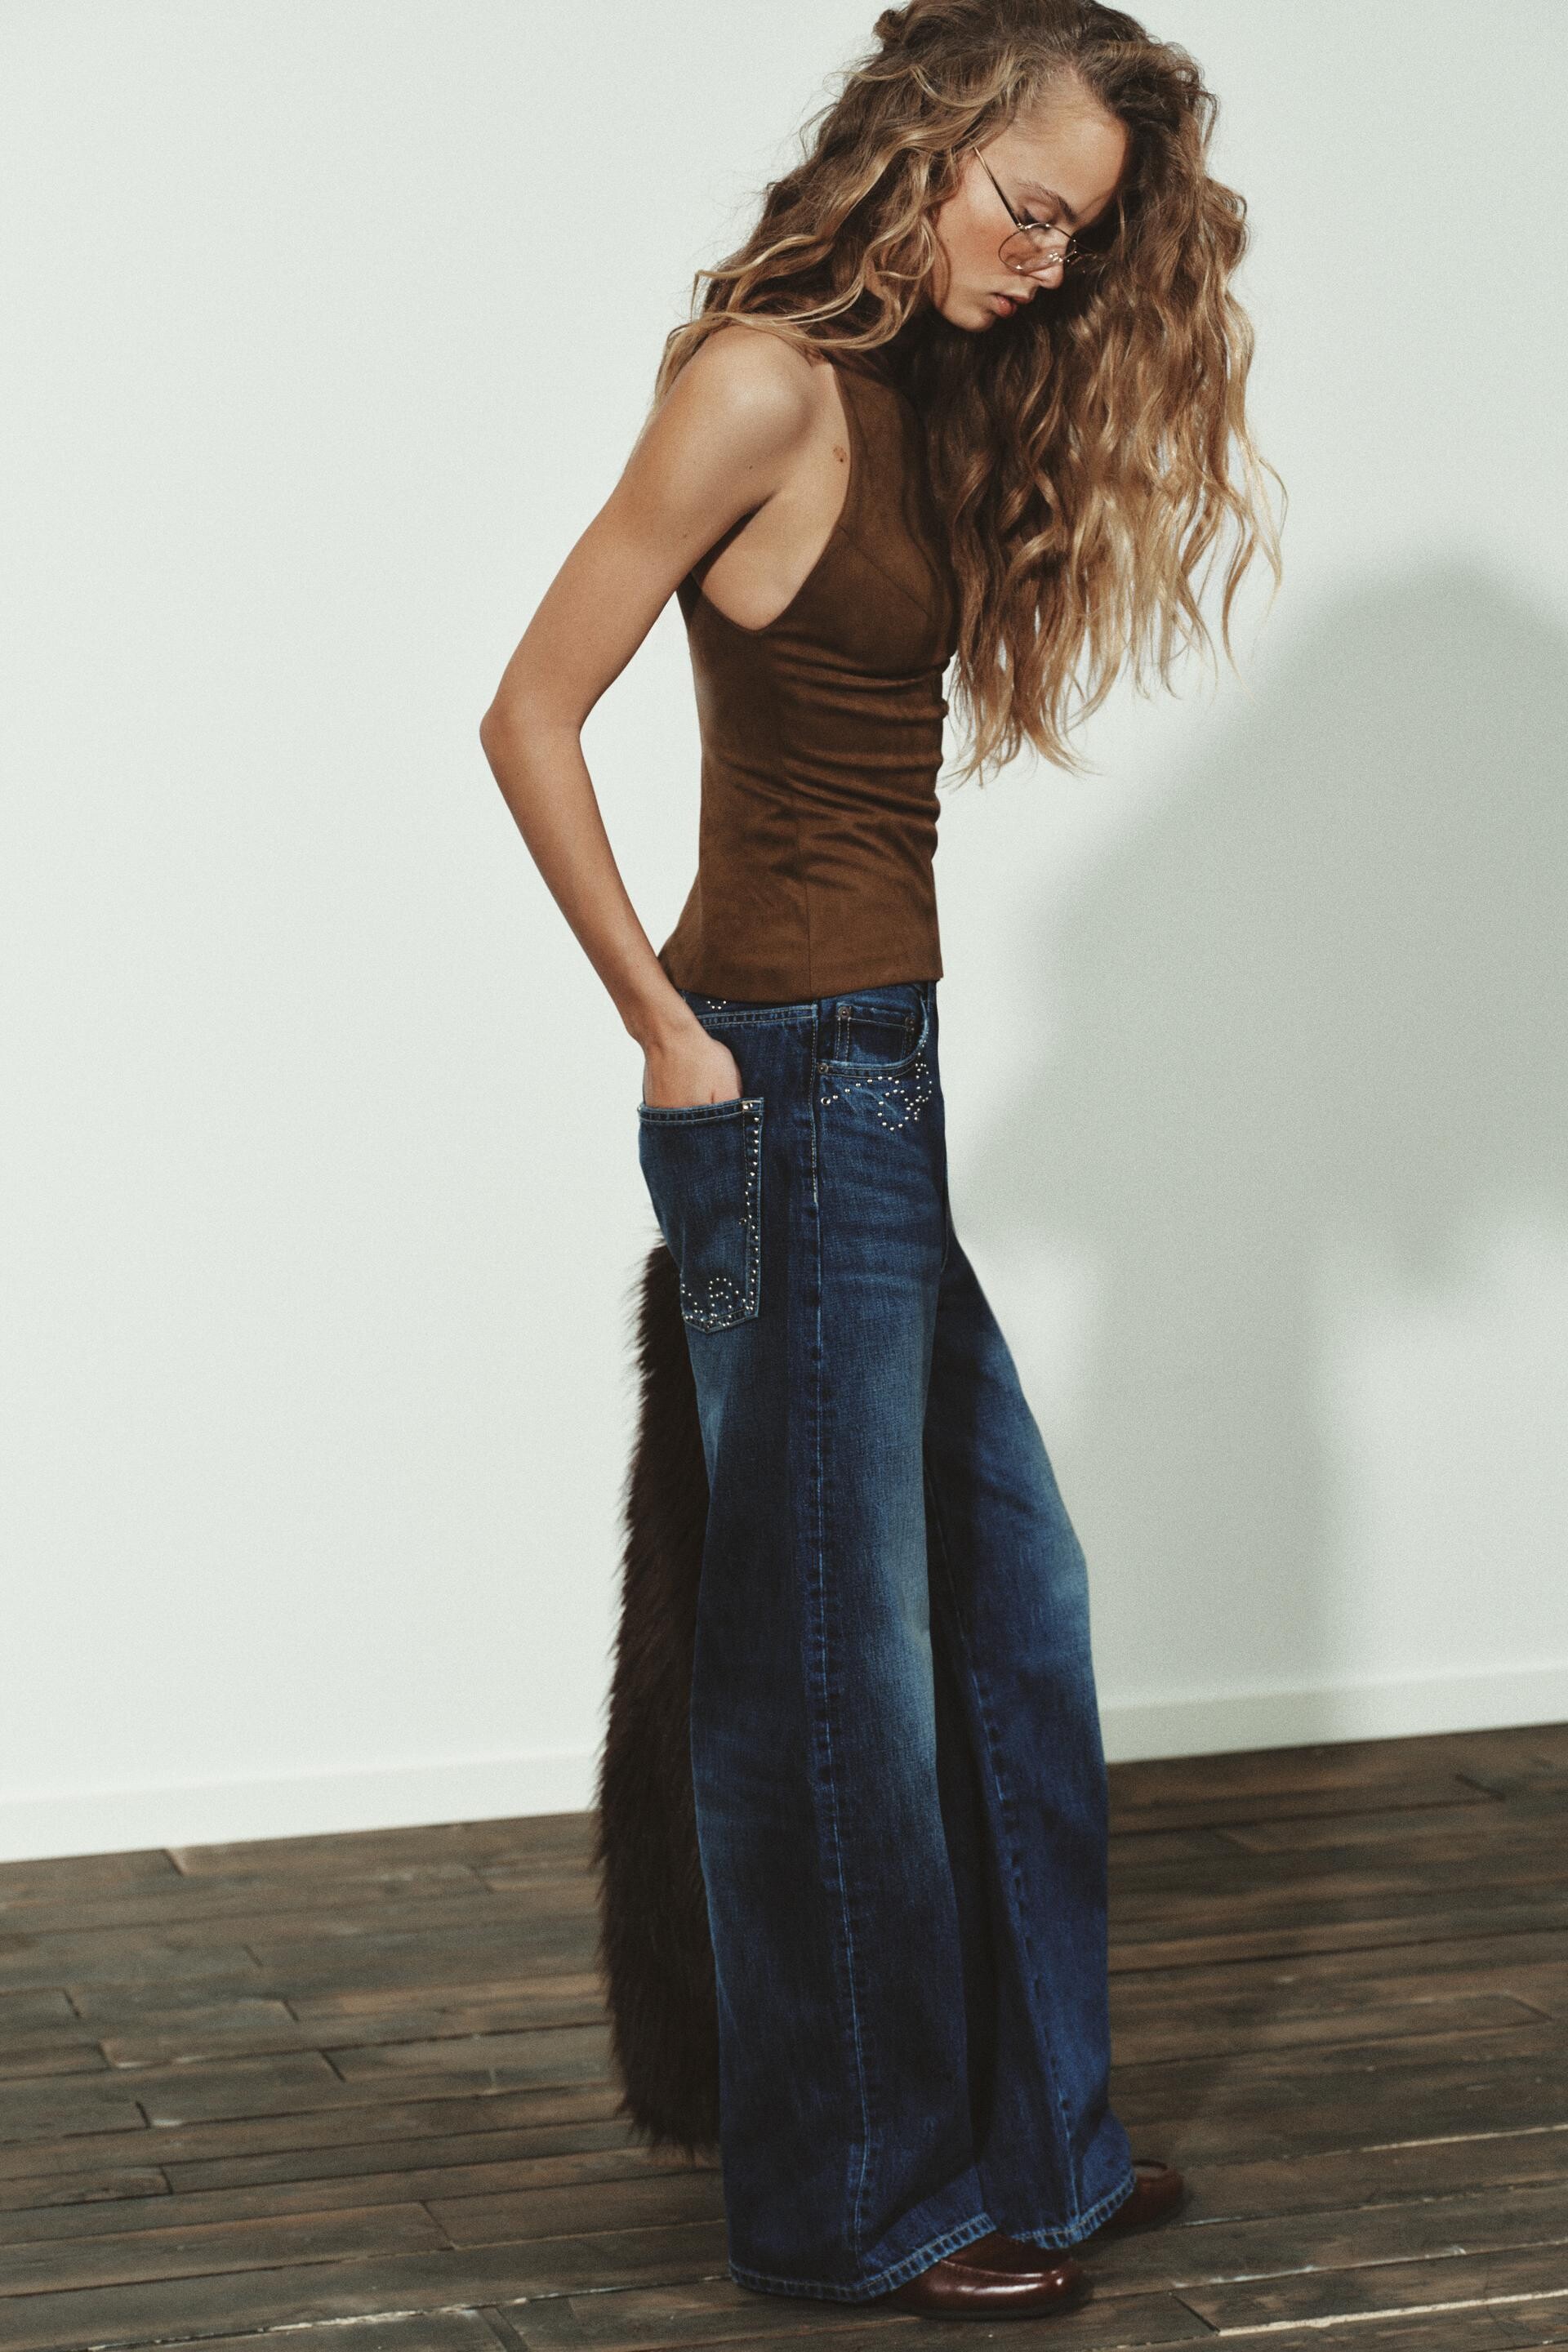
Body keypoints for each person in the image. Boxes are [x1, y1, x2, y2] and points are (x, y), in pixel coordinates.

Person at [479, 0, 1281, 2319]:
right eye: (1029, 209)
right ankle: (859, 2202)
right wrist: (664, 1035)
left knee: (1015, 1620)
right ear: (924, 143)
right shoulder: (761, 383)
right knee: (828, 1672)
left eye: (1084, 236)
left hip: (875, 1088)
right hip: (782, 1078)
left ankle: (1041, 2144)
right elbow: (528, 710)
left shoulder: (921, 382)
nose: (1049, 261)